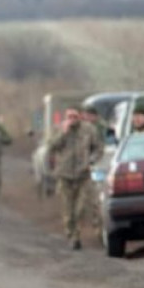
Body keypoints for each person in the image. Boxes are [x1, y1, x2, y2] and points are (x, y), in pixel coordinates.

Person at [48, 106, 102, 250]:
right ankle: (69, 232)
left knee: (80, 208)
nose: (72, 119)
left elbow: (98, 148)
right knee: (68, 209)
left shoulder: (89, 129)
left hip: (83, 174)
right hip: (65, 175)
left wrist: (91, 160)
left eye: (74, 116)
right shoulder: (60, 129)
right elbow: (52, 147)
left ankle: (76, 236)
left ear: (80, 116)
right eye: (69, 116)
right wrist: (63, 133)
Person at [81, 105, 106, 228]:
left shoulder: (102, 128)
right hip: (91, 164)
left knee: (98, 192)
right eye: (85, 115)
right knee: (91, 195)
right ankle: (96, 221)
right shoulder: (84, 129)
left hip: (101, 163)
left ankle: (99, 221)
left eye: (89, 115)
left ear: (94, 116)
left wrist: (91, 159)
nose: (87, 118)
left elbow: (103, 147)